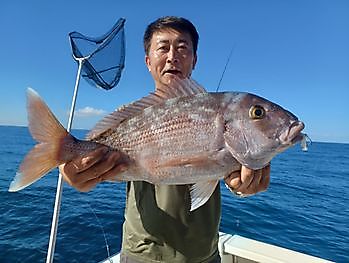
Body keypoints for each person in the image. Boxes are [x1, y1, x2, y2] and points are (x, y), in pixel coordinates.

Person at [60, 16, 270, 263]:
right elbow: (80, 161)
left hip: (205, 256)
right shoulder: (129, 115)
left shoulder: (220, 113)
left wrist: (243, 186)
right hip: (141, 255)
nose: (173, 56)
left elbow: (230, 176)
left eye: (183, 48)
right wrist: (70, 170)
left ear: (194, 60)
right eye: (163, 48)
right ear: (148, 62)